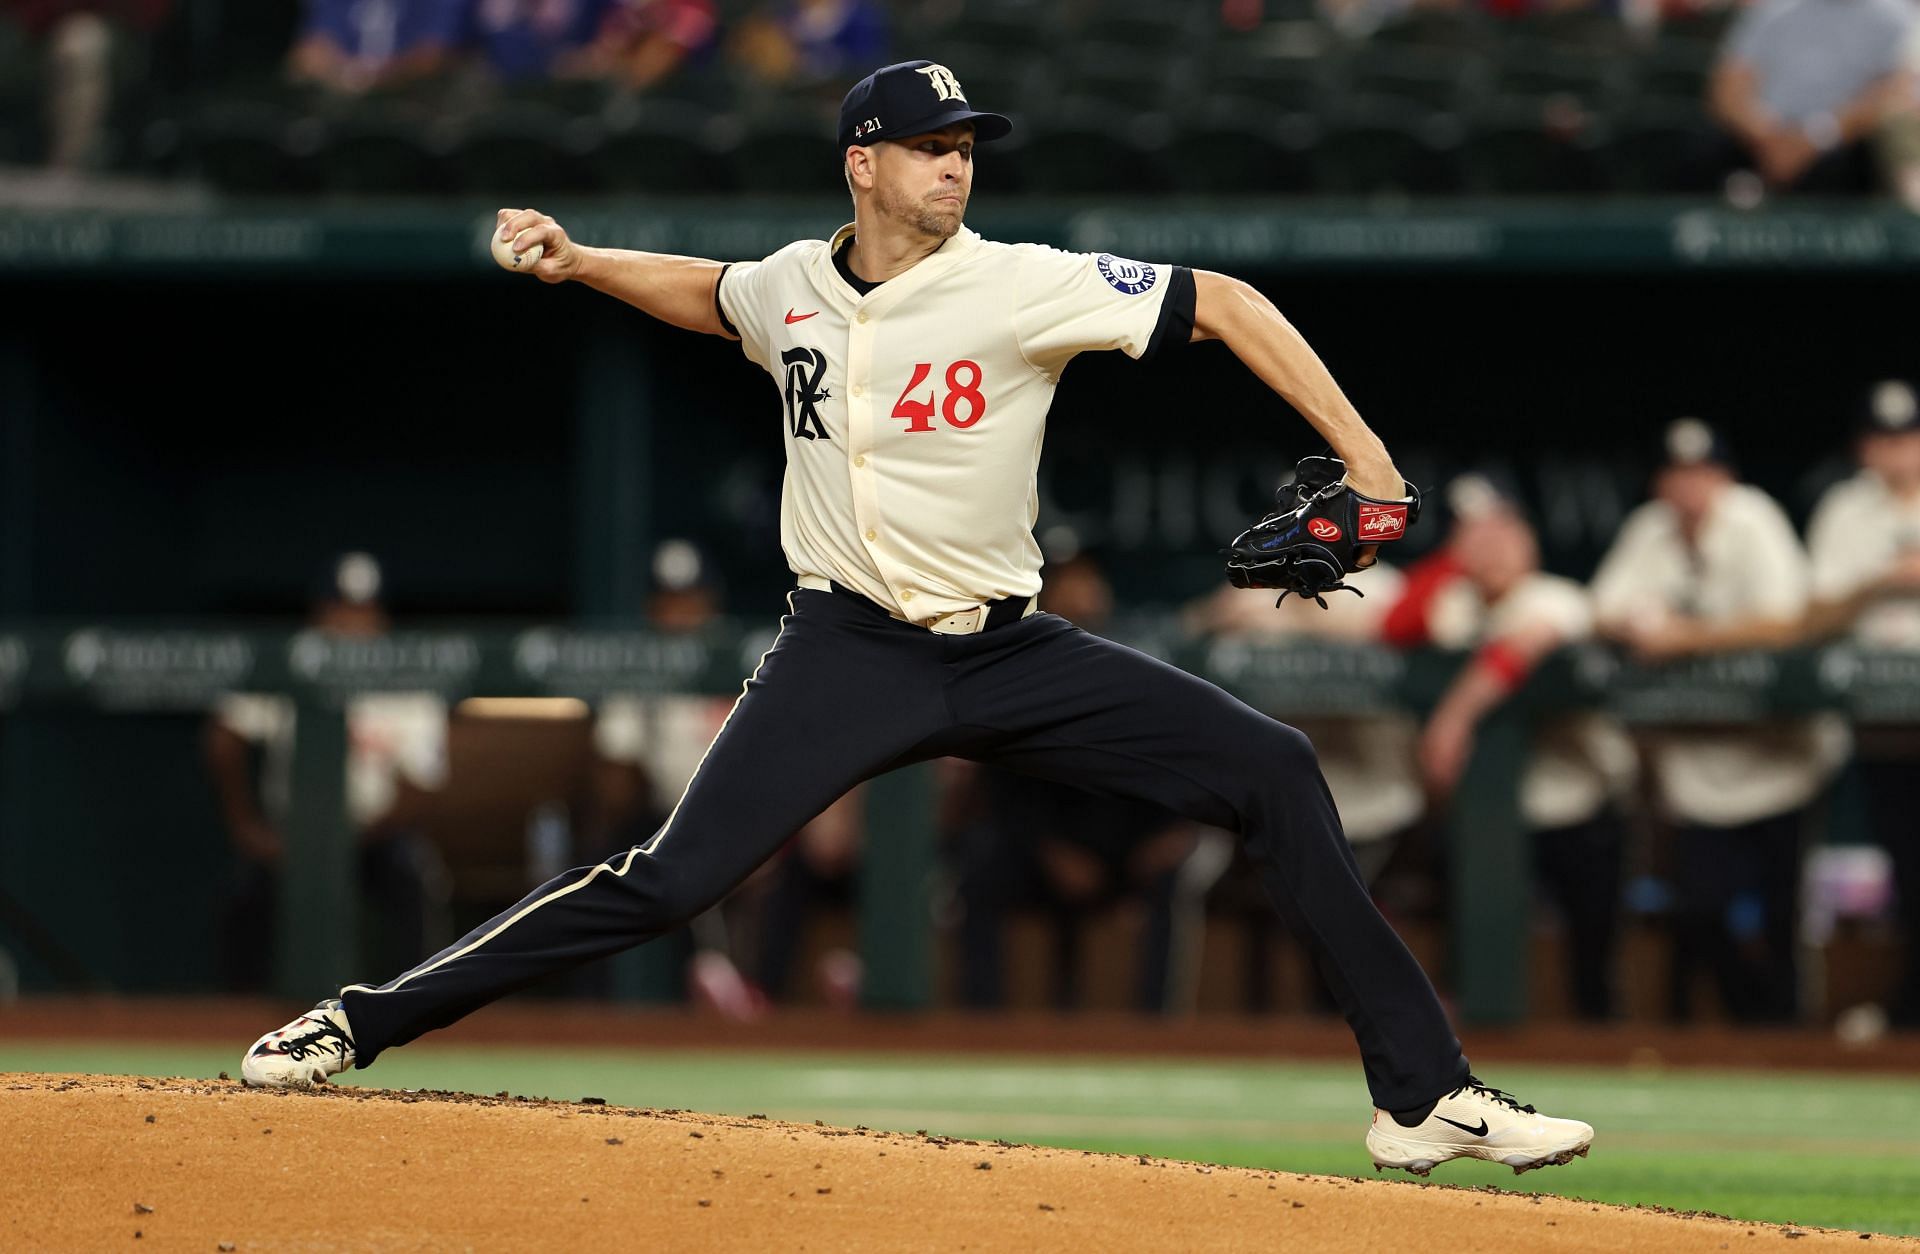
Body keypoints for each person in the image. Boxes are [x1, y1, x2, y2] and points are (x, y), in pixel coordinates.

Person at [241, 57, 1592, 1178]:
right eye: (929, 145)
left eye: (966, 147)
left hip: (1013, 650)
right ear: (862, 166)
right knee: (666, 880)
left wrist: (1373, 469)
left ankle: (1423, 1097)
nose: (955, 166)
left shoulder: (1021, 281)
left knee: (1276, 769)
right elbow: (711, 295)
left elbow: (1230, 304)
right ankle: (354, 1023)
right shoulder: (793, 286)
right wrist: (581, 260)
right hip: (846, 651)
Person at [1591, 419, 1844, 1023]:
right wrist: (1633, 624)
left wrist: (1688, 640)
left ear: (1724, 476)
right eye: (1677, 474)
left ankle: (1787, 1036)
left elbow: (1788, 621)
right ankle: (1757, 1021)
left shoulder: (1752, 518)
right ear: (1660, 482)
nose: (1690, 486)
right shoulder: (1649, 529)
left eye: (1702, 473)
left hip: (1778, 759)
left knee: (1782, 917)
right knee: (1700, 912)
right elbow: (1599, 610)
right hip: (1698, 768)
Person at [1392, 475, 1635, 1022]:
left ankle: (1599, 1040)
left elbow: (1525, 643)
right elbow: (1394, 623)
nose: (1492, 550)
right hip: (1491, 809)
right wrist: (1451, 565)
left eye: (1504, 536)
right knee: (1468, 924)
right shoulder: (1456, 603)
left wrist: (1454, 718)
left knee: (1592, 942)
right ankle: (1463, 1043)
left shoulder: (1555, 594)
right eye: (1477, 538)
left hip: (1577, 799)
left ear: (1529, 543)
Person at [206, 552, 451, 991]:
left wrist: (360, 835)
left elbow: (424, 786)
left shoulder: (408, 677)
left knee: (413, 878)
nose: (352, 625)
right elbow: (224, 738)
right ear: (319, 613)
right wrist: (247, 827)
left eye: (364, 612)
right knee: (244, 897)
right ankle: (231, 1020)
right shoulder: (292, 660)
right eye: (341, 610)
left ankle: (423, 1006)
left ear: (381, 618)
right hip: (293, 836)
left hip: (376, 835)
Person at [1805, 380, 1920, 1029]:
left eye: (1907, 437)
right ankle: (1908, 1014)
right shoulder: (1846, 510)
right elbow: (1813, 614)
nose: (1897, 452)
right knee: (1906, 872)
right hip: (1881, 727)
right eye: (1883, 439)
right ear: (1863, 448)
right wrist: (1883, 581)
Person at [1705, 0, 1914, 195]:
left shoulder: (1896, 16)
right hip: (1761, 137)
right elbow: (1729, 86)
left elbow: (1891, 94)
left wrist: (1815, 138)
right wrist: (1764, 135)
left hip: (1839, 144)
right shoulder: (1771, 8)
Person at [287, 0, 467, 95]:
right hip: (343, 93)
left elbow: (435, 56)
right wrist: (348, 76)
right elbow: (310, 52)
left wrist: (377, 77)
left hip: (414, 98)